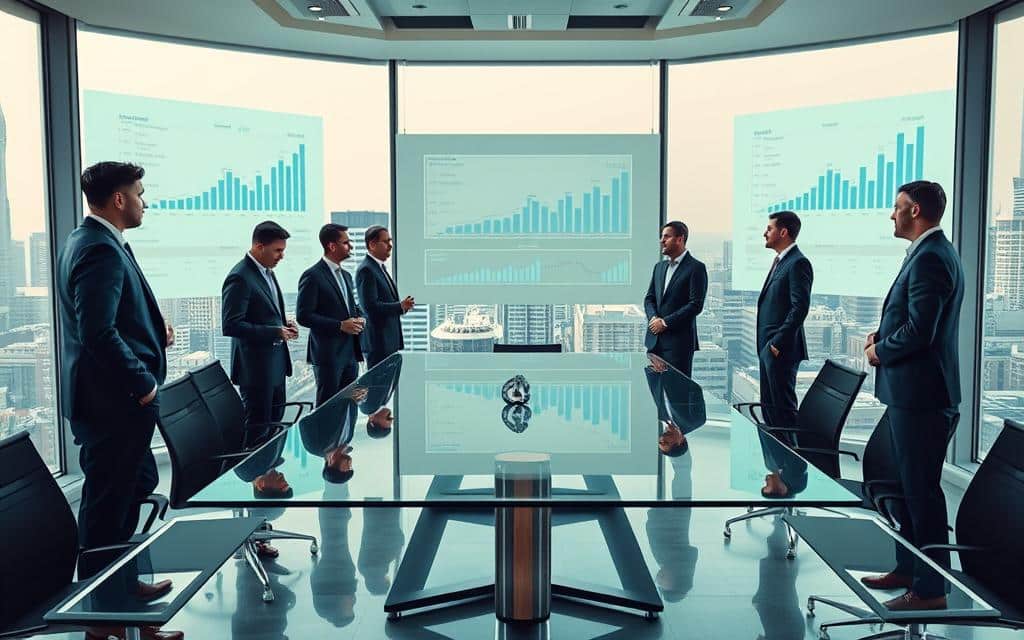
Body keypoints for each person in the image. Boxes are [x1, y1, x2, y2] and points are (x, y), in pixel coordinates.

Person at [56, 161, 182, 640]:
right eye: (140, 193)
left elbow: (112, 319)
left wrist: (152, 332)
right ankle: (101, 617)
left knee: (129, 493)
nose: (144, 202)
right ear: (118, 199)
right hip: (115, 404)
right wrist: (143, 383)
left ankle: (124, 593)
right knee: (108, 510)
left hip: (113, 403)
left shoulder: (90, 241)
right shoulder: (99, 249)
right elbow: (97, 332)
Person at [861, 181, 964, 611]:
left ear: (915, 210)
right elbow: (915, 318)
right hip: (912, 394)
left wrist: (880, 351)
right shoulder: (928, 253)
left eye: (897, 207)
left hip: (922, 397)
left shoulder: (932, 258)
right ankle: (907, 569)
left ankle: (930, 590)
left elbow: (922, 331)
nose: (892, 214)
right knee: (904, 488)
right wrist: (881, 333)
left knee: (921, 494)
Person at [222, 221, 297, 447]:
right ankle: (256, 471)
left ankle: (270, 467)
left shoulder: (267, 272)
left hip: (275, 367)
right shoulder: (240, 277)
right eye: (277, 250)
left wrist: (284, 324)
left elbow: (264, 312)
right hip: (255, 371)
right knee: (258, 433)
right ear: (259, 246)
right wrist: (275, 331)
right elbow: (231, 325)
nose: (282, 256)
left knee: (274, 428)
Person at [297, 223, 364, 408]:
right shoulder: (312, 276)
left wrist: (360, 317)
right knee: (327, 409)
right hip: (328, 355)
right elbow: (303, 315)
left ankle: (345, 430)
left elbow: (349, 307)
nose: (350, 246)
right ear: (332, 246)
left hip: (350, 354)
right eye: (346, 243)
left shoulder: (346, 276)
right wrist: (339, 325)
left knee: (349, 406)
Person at [756, 211, 813, 428]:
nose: (765, 233)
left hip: (780, 350)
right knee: (769, 410)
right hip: (769, 350)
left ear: (783, 232)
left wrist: (776, 344)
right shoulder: (781, 261)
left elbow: (800, 308)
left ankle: (791, 451)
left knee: (783, 411)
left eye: (769, 229)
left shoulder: (798, 263)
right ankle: (776, 451)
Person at [644, 221, 708, 376]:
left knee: (678, 389)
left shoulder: (696, 268)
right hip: (655, 343)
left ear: (680, 239)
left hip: (679, 345)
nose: (662, 241)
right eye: (662, 237)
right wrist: (654, 319)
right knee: (657, 389)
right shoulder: (659, 267)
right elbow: (649, 298)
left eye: (667, 237)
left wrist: (665, 323)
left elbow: (695, 305)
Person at [355, 226, 413, 369]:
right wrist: (399, 306)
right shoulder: (366, 270)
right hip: (379, 344)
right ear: (372, 245)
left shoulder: (379, 268)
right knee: (378, 383)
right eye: (385, 242)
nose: (390, 245)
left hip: (389, 343)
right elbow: (370, 307)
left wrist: (402, 308)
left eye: (390, 241)